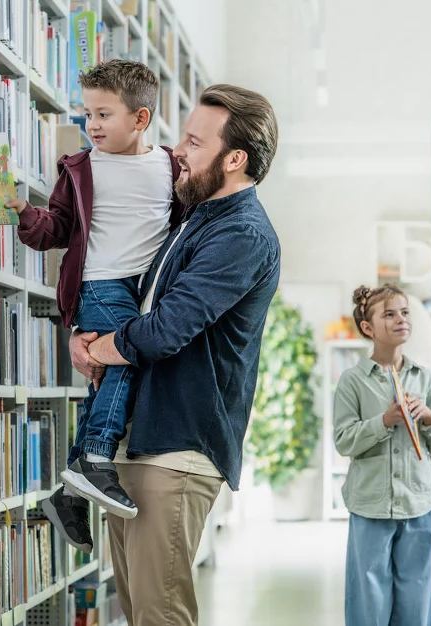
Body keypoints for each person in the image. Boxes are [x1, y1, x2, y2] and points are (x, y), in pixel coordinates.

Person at [70, 84, 281, 626]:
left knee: (159, 614)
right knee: (140, 609)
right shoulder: (191, 219)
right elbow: (130, 295)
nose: (177, 151)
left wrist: (101, 347)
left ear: (235, 159)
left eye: (193, 141)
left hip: (176, 448)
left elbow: (166, 329)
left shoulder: (243, 233)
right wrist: (81, 330)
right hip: (138, 441)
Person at [6, 59, 185, 548]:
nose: (92, 125)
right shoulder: (80, 168)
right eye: (88, 114)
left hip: (146, 289)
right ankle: (97, 459)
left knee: (108, 377)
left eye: (104, 114)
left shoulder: (170, 166)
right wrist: (24, 210)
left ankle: (68, 492)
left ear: (140, 119)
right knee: (128, 355)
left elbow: (186, 226)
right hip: (99, 283)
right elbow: (56, 230)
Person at [333, 284, 431, 626]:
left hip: (419, 505)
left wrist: (429, 417)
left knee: (417, 599)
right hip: (371, 506)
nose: (401, 319)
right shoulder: (352, 382)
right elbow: (343, 441)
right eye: (389, 314)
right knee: (369, 600)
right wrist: (383, 422)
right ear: (368, 328)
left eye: (404, 312)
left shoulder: (425, 379)